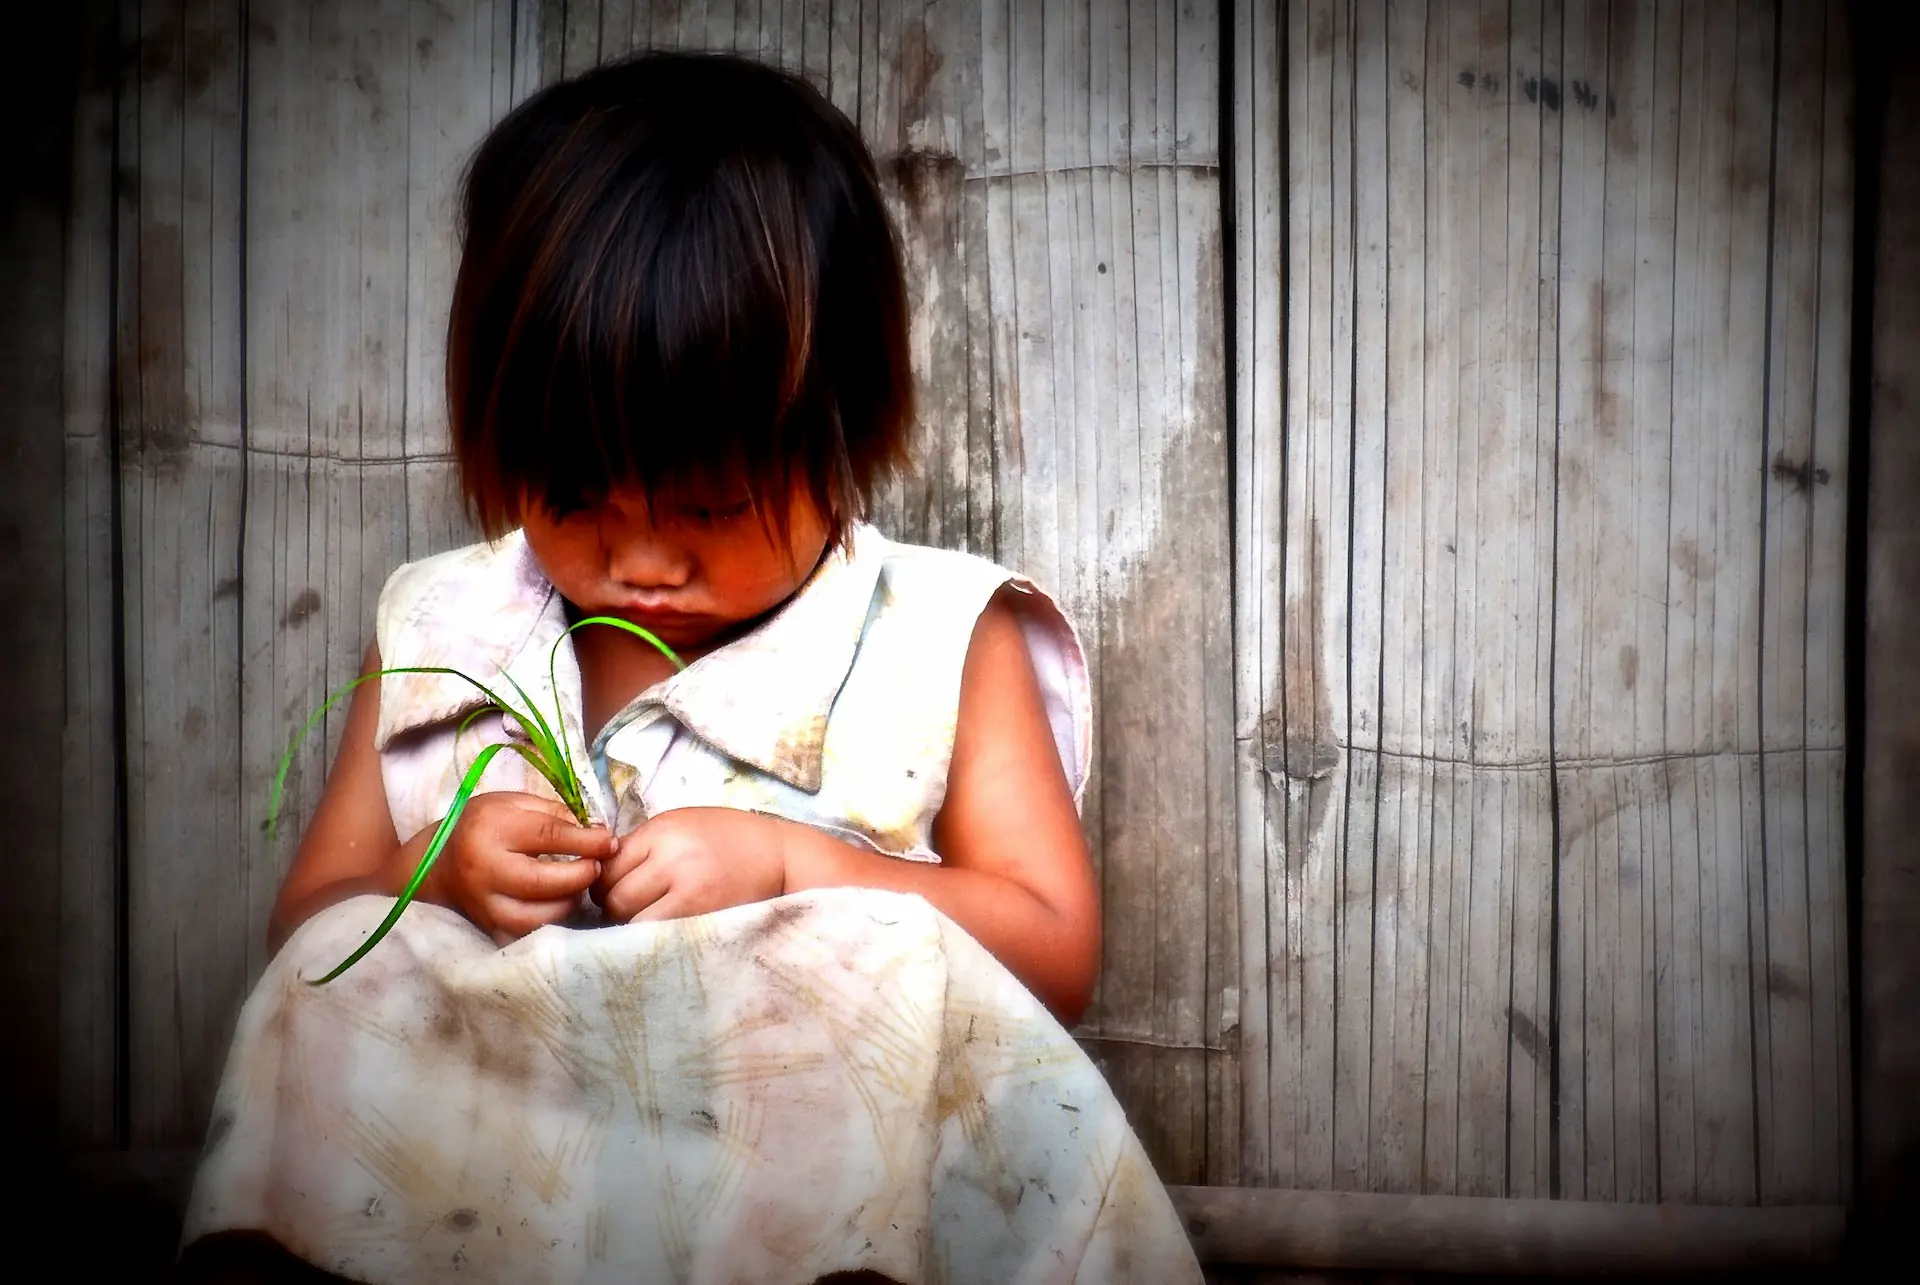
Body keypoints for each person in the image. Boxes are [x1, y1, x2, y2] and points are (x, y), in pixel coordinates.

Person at [177, 49, 1202, 1285]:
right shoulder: (446, 629)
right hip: (491, 1214)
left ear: (849, 432)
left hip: (819, 1230)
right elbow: (307, 939)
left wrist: (799, 867)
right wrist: (436, 871)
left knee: (881, 963)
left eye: (711, 507)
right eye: (579, 499)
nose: (644, 560)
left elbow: (1052, 948)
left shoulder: (935, 634)